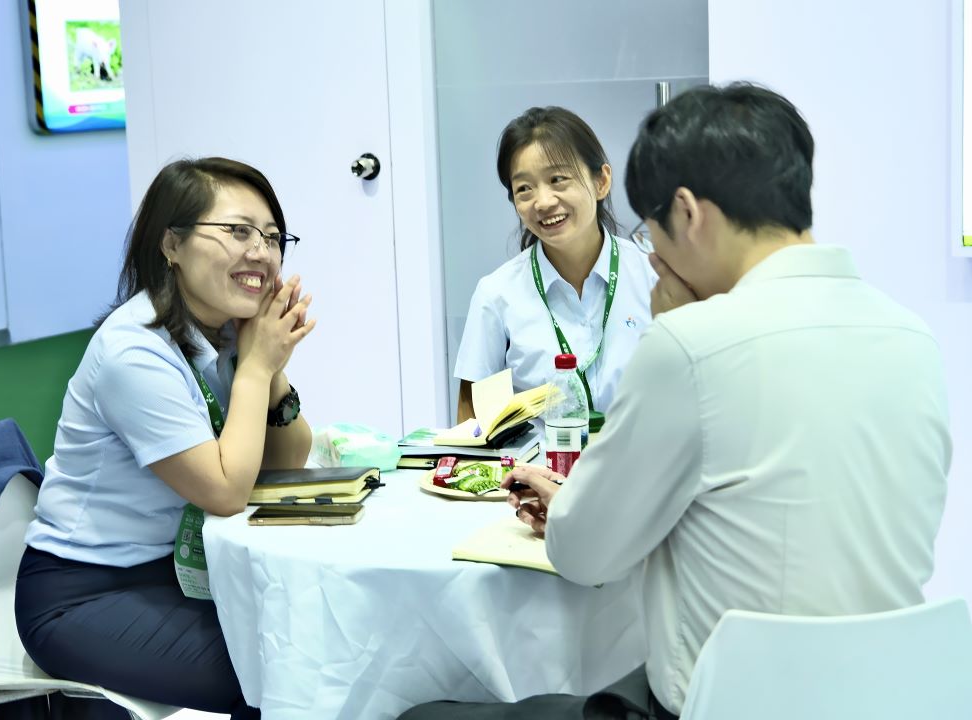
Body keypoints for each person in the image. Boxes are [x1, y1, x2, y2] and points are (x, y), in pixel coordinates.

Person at [401, 84, 951, 719]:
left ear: (685, 213)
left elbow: (583, 555)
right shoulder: (913, 336)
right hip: (890, 698)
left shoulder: (691, 346)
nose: (654, 255)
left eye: (652, 227)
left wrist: (577, 503)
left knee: (419, 714)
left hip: (729, 704)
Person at [16, 157, 316, 719]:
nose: (261, 252)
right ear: (172, 244)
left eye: (274, 237)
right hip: (84, 594)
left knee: (317, 636)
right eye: (238, 231)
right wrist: (256, 368)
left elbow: (287, 463)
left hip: (177, 574)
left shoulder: (227, 331)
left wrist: (271, 369)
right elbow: (226, 491)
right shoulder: (133, 352)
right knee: (278, 673)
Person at [454, 106, 656, 423]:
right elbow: (472, 422)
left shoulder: (653, 277)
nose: (543, 202)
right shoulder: (496, 295)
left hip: (642, 454)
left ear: (601, 181)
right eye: (524, 188)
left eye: (557, 179)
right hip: (539, 457)